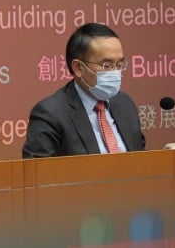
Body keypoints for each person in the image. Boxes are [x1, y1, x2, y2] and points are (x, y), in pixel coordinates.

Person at [22, 23, 146, 159]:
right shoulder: (50, 115)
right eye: (106, 65)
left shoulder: (125, 105)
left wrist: (163, 158)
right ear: (78, 68)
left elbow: (140, 162)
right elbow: (38, 175)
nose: (115, 72)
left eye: (119, 65)